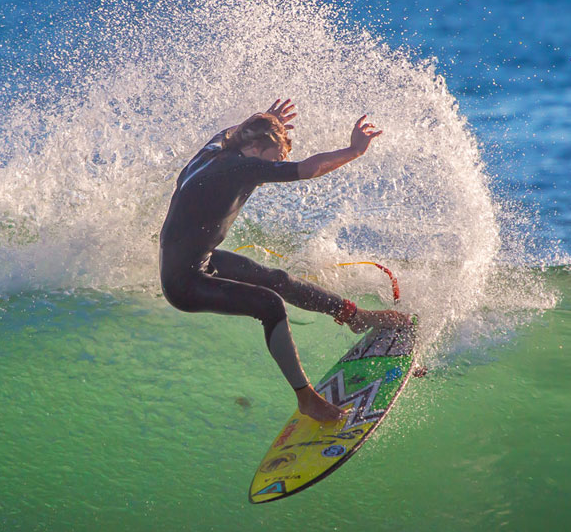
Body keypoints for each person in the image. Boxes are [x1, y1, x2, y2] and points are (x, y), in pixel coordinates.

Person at [159, 99, 409, 422]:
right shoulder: (241, 167)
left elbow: (232, 132)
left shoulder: (217, 148)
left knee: (277, 280)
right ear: (255, 146)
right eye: (274, 159)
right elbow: (307, 169)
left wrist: (268, 122)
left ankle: (354, 316)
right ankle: (307, 399)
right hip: (184, 282)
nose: (271, 171)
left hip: (197, 261)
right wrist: (353, 152)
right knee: (270, 304)